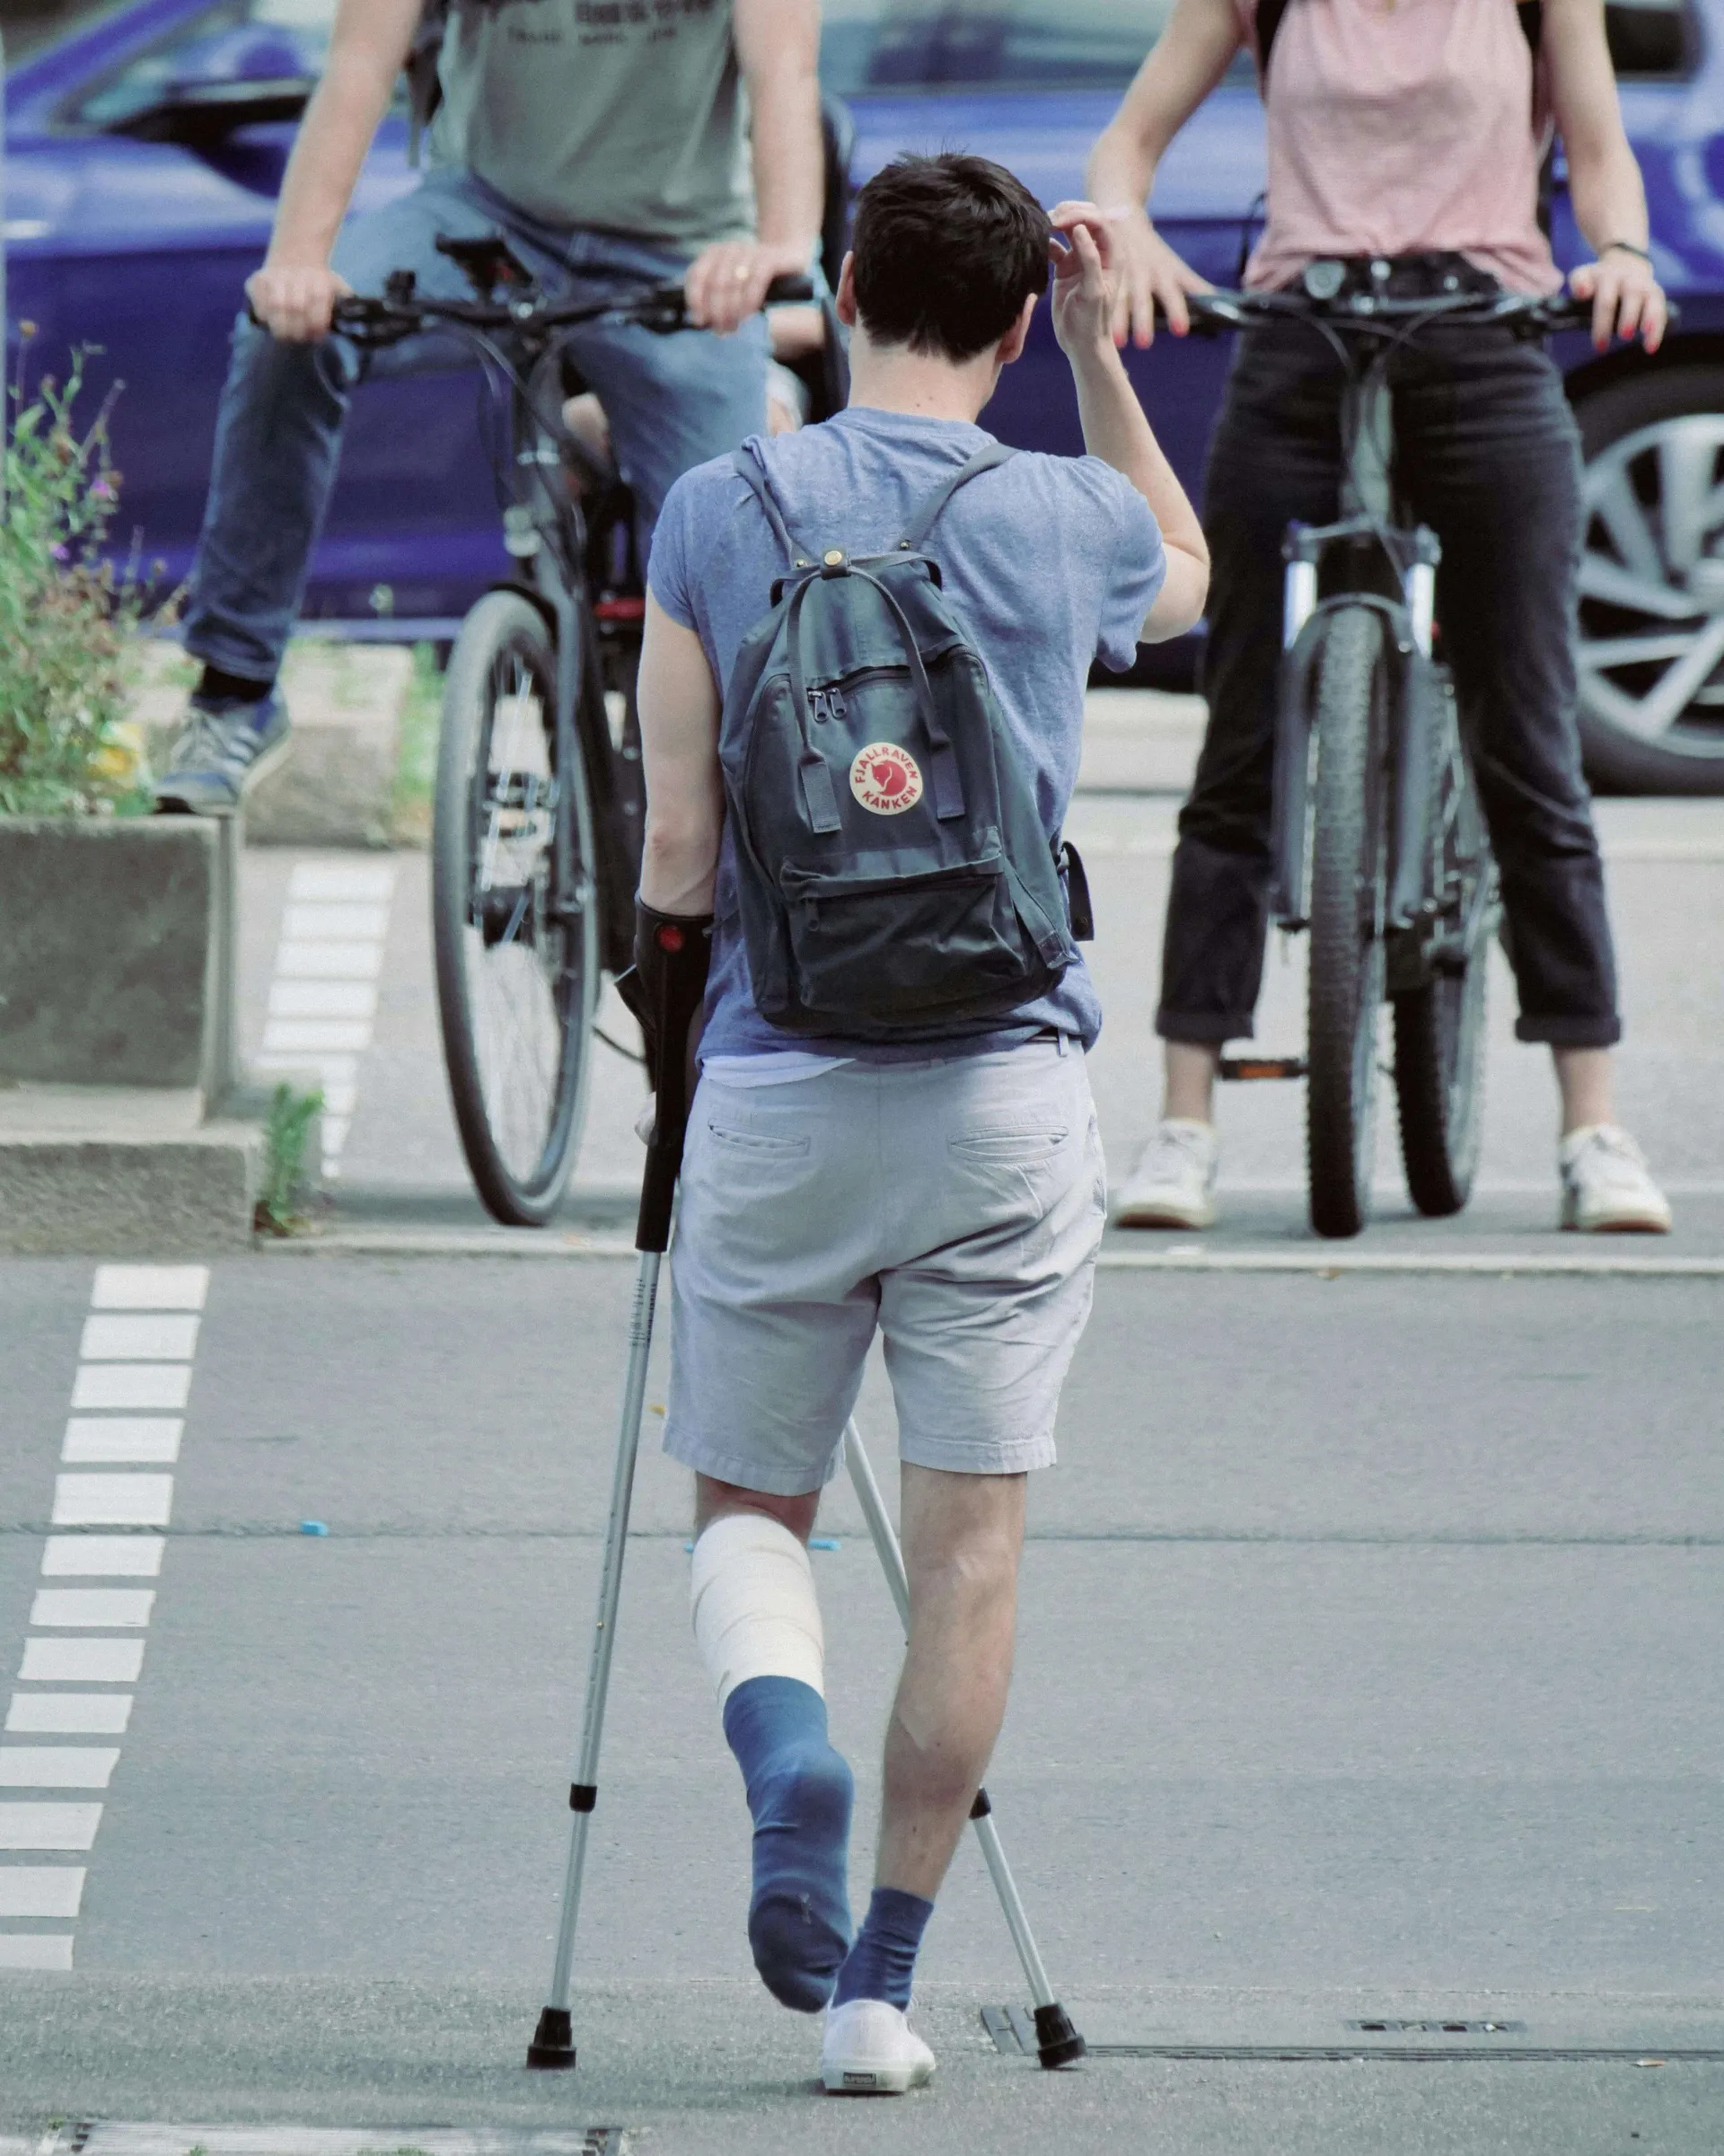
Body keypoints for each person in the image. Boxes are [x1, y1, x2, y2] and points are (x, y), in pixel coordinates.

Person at [633, 154, 1207, 2093]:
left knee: (745, 1504)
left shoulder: (724, 503)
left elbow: (681, 851)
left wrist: (672, 1060)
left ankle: (776, 1744)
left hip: (787, 1078)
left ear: (848, 278)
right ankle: (878, 1996)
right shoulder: (1059, 513)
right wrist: (1113, 367)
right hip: (1004, 1093)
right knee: (967, 1555)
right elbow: (1189, 570)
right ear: (1024, 319)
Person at [1085, 0, 1674, 1236]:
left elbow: (1601, 146)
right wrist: (1124, 229)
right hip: (1300, 337)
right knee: (1241, 732)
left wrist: (1620, 250)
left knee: (1530, 738)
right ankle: (1182, 1123)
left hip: (1487, 336)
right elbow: (1124, 147)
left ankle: (1592, 1123)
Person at [154, 0, 821, 814]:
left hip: (679, 252)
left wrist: (780, 247)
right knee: (283, 338)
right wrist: (298, 263)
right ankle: (236, 690)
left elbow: (785, 70)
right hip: (485, 222)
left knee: (738, 589)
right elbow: (360, 65)